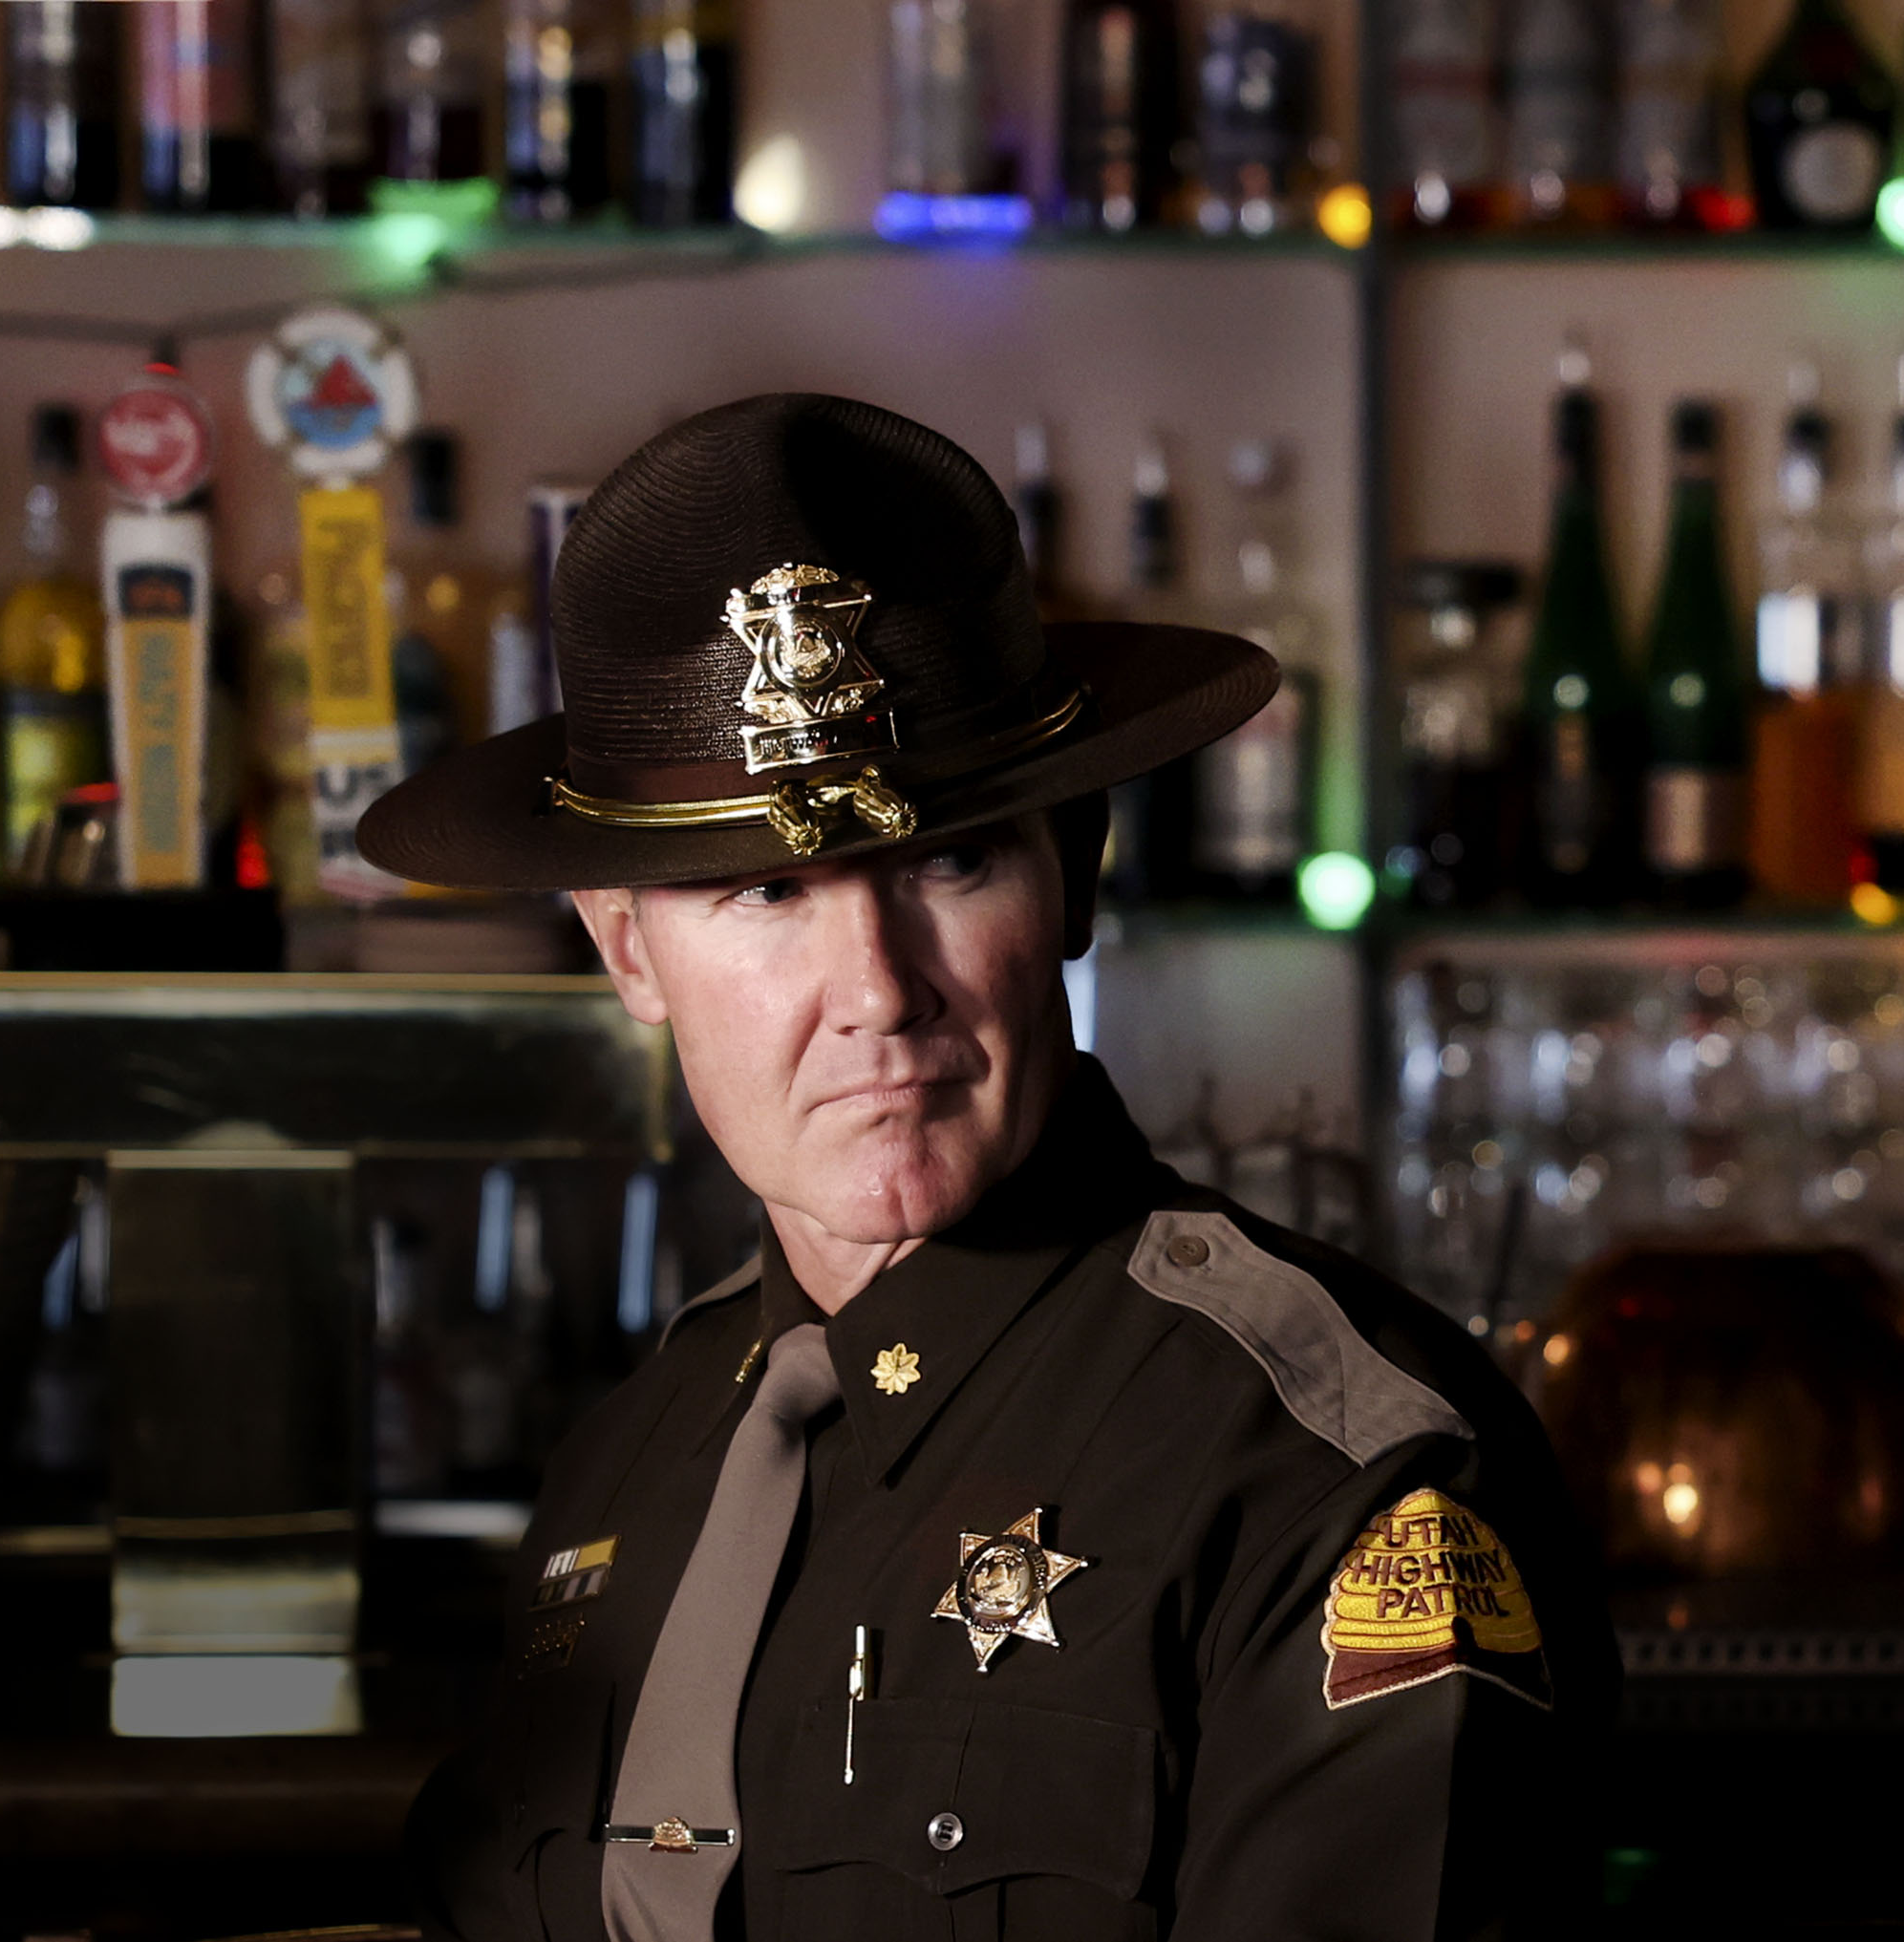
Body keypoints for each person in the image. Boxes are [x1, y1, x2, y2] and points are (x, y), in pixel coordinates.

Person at [361, 395, 1615, 1941]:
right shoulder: (632, 1458)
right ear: (628, 945)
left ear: (1072, 872)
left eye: (949, 860)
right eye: (766, 890)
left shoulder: (1333, 1474)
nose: (879, 988)